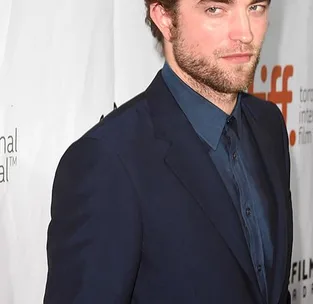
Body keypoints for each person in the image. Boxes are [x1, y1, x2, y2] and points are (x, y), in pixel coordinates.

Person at [43, 0, 293, 303]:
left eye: (256, 7)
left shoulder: (268, 125)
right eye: (215, 9)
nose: (245, 33)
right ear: (165, 19)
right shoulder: (108, 161)